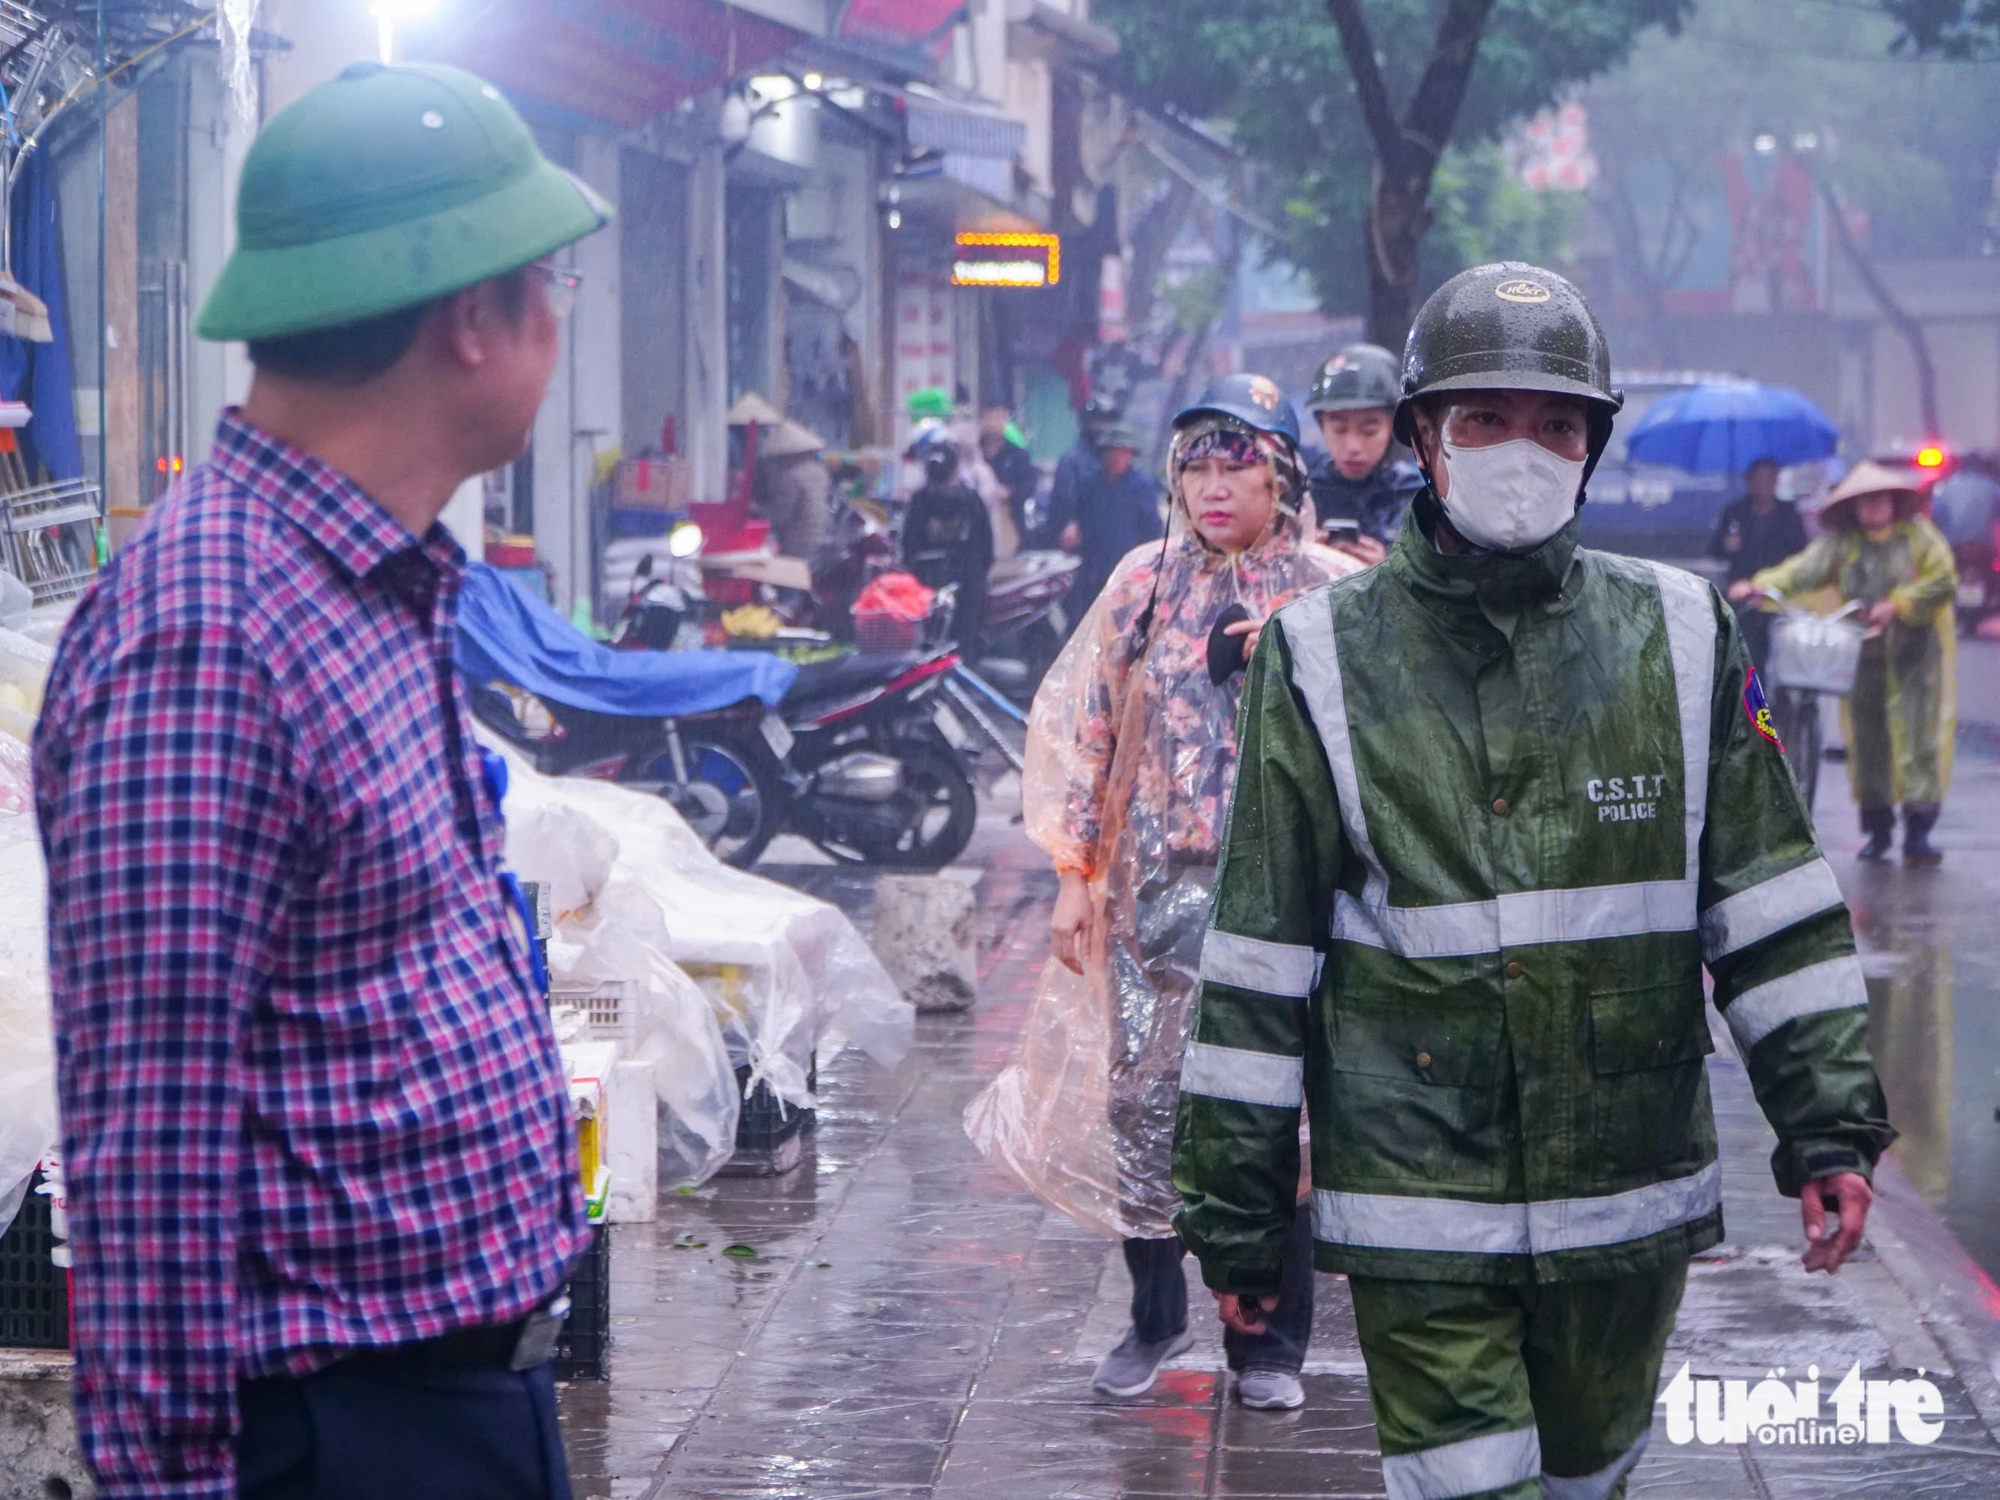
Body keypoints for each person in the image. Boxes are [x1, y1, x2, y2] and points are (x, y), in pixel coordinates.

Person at [1173, 263, 1894, 1498]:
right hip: (1415, 1196)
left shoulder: (1680, 635)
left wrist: (1826, 1123)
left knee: (1585, 1479)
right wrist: (1236, 1214)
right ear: (1424, 438)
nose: (1522, 448)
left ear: (1590, 447)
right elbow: (1257, 954)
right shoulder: (1317, 654)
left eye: (1556, 423)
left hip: (1625, 1193)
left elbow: (1770, 907)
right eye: (1484, 417)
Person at [33, 62, 611, 1500]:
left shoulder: (364, 587)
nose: (560, 320)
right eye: (551, 284)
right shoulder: (210, 633)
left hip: (453, 1401)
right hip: (336, 1431)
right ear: (471, 318)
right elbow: (152, 1133)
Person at [963, 374, 1361, 1411]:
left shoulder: (1329, 590)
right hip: (1151, 889)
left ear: (1281, 476)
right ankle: (1152, 1317)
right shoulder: (1141, 583)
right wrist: (1072, 877)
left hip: (1287, 898)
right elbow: (1087, 732)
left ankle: (1268, 1344)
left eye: (1237, 465)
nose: (1213, 486)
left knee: (1278, 1112)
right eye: (1196, 466)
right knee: (1142, 1104)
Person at [1734, 459, 1959, 866]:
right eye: (1864, 501)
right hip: (1863, 655)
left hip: (1915, 656)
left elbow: (1942, 578)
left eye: (1879, 500)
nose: (1873, 508)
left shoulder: (1918, 537)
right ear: (1853, 507)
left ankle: (1918, 833)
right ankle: (1877, 830)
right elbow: (1801, 571)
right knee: (1869, 742)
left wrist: (1898, 604)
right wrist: (1760, 585)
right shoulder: (1844, 545)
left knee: (1918, 738)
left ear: (1892, 502)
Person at [1305, 342, 1423, 565]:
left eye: (1369, 431)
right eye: (1339, 429)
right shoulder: (1302, 493)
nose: (1353, 446)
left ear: (1394, 425)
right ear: (1321, 424)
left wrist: (1389, 569)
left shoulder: (1418, 497)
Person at [902, 421, 995, 655]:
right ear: (955, 469)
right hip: (966, 588)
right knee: (963, 648)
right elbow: (987, 547)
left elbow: (908, 548)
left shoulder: (919, 503)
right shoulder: (971, 500)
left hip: (927, 590)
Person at [1061, 421, 1165, 619]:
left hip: (1128, 569)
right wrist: (1073, 528)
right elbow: (1079, 514)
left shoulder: (1142, 486)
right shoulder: (1089, 483)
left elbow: (1153, 529)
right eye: (1112, 451)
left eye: (1123, 452)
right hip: (1092, 568)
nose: (1117, 457)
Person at [1712, 456, 1808, 665]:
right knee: (1746, 654)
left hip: (1779, 596)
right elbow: (1715, 551)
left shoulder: (1789, 514)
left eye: (1769, 479)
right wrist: (1727, 545)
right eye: (1759, 479)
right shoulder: (1735, 512)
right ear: (1750, 481)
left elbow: (1802, 554)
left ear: (1776, 482)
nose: (1763, 485)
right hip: (1742, 595)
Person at [1040, 393, 1121, 548]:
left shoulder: (1118, 459)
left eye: (1107, 421)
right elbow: (1064, 505)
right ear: (1086, 422)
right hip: (1080, 541)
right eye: (1097, 421)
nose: (1102, 427)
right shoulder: (1072, 461)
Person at [753, 417, 834, 561]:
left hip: (798, 543)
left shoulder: (790, 477)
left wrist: (756, 508)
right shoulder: (819, 471)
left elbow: (779, 516)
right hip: (820, 538)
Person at [980, 404, 1041, 540]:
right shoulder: (974, 453)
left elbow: (1029, 486)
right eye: (990, 418)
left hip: (1010, 520)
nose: (994, 423)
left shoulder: (1018, 454)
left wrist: (1009, 492)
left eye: (999, 418)